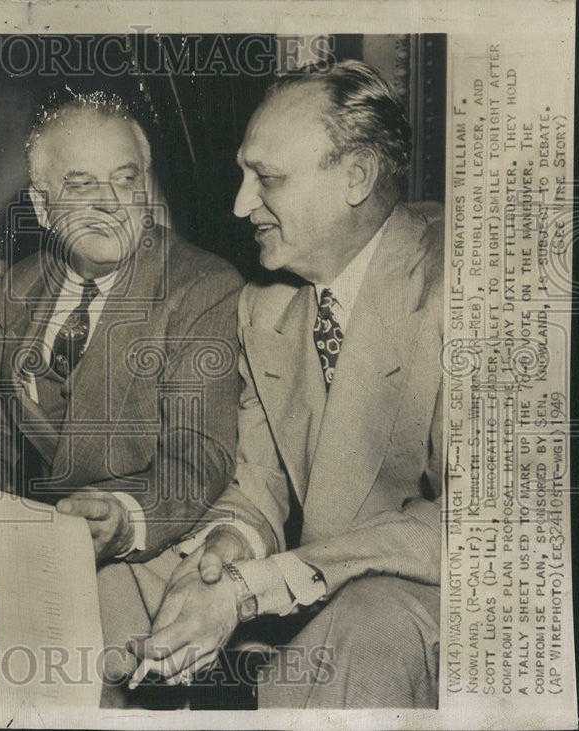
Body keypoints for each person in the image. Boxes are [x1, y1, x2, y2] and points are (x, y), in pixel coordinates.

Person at [129, 60, 444, 708]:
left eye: (266, 179)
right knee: (114, 591)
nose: (240, 204)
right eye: (245, 174)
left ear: (355, 177)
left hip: (447, 599)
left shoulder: (465, 279)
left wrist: (251, 588)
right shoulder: (265, 306)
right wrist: (222, 553)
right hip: (317, 588)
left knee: (365, 630)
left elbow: (475, 523)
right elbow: (259, 485)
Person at [0, 94, 244, 704]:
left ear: (147, 188)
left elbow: (200, 458)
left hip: (149, 556)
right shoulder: (25, 283)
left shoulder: (202, 286)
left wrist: (126, 520)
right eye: (81, 185)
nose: (109, 205)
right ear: (42, 205)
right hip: (38, 552)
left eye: (125, 180)